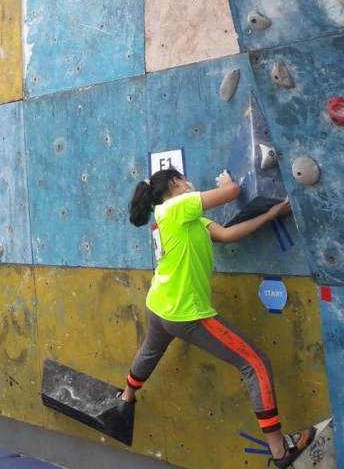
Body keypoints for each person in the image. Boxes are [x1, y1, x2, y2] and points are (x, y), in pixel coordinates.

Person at [122, 168, 314, 468]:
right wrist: (227, 183)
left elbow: (226, 234)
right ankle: (280, 451)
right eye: (185, 180)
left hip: (160, 305)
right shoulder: (176, 206)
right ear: (175, 183)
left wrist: (272, 214)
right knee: (255, 363)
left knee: (150, 350)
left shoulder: (177, 218)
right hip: (186, 313)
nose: (190, 183)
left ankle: (126, 398)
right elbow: (233, 191)